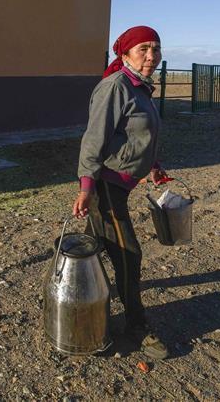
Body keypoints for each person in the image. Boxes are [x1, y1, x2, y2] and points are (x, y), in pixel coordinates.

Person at [73, 25, 170, 360]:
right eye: (143, 49)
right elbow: (93, 140)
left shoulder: (140, 86)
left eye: (156, 48)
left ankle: (68, 297)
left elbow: (137, 134)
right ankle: (136, 325)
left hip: (121, 183)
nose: (151, 56)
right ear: (125, 54)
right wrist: (87, 188)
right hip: (106, 185)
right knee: (128, 254)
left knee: (90, 248)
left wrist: (152, 165)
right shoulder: (116, 86)